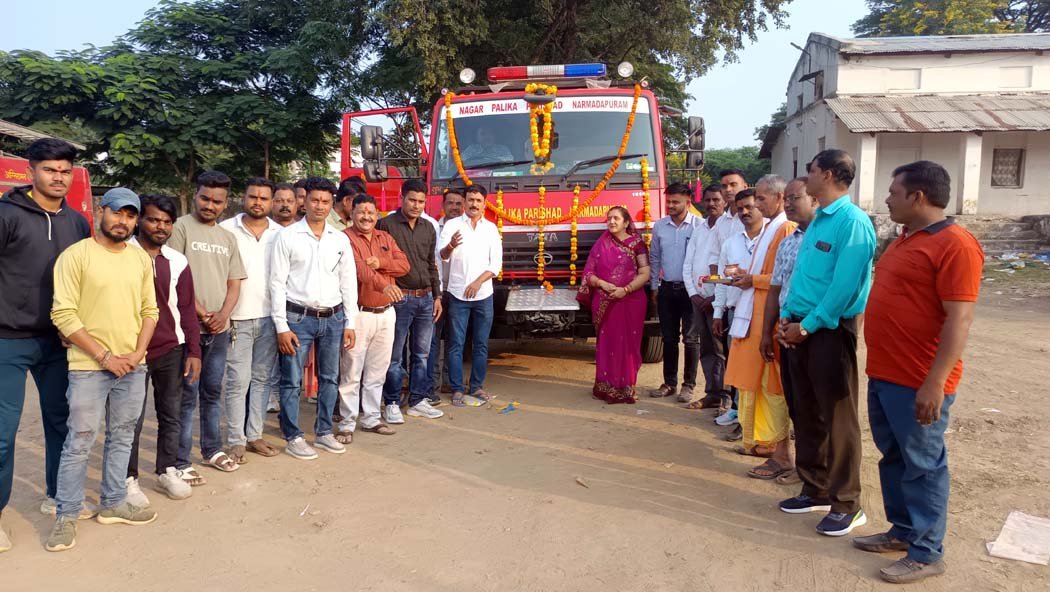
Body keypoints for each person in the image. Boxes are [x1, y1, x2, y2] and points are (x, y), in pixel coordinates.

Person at [854, 161, 983, 584]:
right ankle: (903, 531)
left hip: (918, 380)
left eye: (894, 192)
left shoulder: (956, 245)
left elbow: (959, 320)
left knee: (924, 465)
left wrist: (935, 382)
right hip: (886, 374)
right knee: (894, 457)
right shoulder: (906, 239)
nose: (887, 198)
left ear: (918, 196)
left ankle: (927, 553)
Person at [46, 188, 160, 552]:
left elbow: (150, 310)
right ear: (100, 211)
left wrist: (137, 353)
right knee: (80, 440)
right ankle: (66, 515)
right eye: (117, 212)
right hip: (88, 366)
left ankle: (113, 503)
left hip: (133, 366)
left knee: (123, 436)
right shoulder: (76, 256)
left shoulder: (139, 259)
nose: (123, 221)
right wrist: (105, 357)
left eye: (130, 215)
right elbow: (63, 314)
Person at [776, 149, 876, 538]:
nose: (808, 176)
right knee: (805, 411)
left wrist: (809, 326)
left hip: (828, 329)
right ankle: (815, 487)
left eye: (812, 170)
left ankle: (847, 503)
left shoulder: (852, 222)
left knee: (837, 418)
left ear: (829, 175)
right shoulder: (819, 220)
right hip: (800, 325)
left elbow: (845, 287)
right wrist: (789, 318)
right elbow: (804, 277)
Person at [0, 139, 92, 552]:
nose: (58, 177)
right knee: (3, 433)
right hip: (7, 339)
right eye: (50, 170)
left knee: (61, 423)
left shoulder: (78, 224)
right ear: (31, 171)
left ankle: (57, 494)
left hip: (57, 341)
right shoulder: (6, 215)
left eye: (65, 171)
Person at [270, 176, 358, 460]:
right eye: (314, 200)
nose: (320, 206)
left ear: (332, 204)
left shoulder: (339, 239)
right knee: (291, 379)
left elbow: (348, 282)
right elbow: (276, 283)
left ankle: (323, 432)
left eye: (325, 201)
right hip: (298, 318)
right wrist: (281, 326)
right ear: (304, 202)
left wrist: (351, 322)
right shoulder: (288, 236)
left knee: (330, 378)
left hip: (333, 318)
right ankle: (293, 436)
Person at [168, 171, 246, 479]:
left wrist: (223, 315)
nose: (210, 206)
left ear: (225, 203)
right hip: (187, 330)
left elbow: (234, 282)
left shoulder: (227, 238)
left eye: (217, 201)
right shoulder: (180, 228)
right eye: (205, 198)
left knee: (213, 392)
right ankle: (180, 460)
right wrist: (202, 313)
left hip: (219, 331)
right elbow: (173, 278)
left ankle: (212, 449)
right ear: (195, 196)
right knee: (187, 396)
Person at [126, 194, 201, 505]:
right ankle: (128, 480)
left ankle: (167, 470)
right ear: (140, 220)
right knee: (130, 419)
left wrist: (194, 351)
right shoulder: (122, 254)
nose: (160, 227)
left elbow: (186, 308)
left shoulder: (177, 261)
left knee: (170, 414)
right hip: (130, 349)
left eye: (167, 222)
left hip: (170, 348)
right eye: (154, 220)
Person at [720, 175, 796, 479]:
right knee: (757, 385)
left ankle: (782, 454)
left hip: (770, 320)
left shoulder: (785, 229)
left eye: (762, 199)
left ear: (779, 198)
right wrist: (747, 275)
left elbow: (783, 279)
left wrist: (753, 279)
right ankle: (766, 445)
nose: (757, 204)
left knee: (773, 387)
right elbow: (768, 273)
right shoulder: (771, 228)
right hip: (756, 317)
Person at [335, 194, 410, 443]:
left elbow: (404, 265)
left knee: (378, 371)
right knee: (351, 371)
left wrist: (380, 262)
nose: (366, 217)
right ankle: (347, 423)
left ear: (377, 215)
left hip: (386, 313)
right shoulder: (345, 238)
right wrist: (383, 284)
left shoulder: (385, 237)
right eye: (361, 211)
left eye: (370, 212)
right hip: (358, 314)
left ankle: (371, 418)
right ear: (352, 213)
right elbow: (359, 269)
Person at [760, 177, 819, 487]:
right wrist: (770, 330)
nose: (788, 203)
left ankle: (816, 473)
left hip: (816, 329)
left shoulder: (828, 238)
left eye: (795, 198)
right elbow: (777, 289)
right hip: (786, 328)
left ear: (816, 199)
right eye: (788, 198)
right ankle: (798, 463)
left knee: (816, 406)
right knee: (795, 401)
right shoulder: (790, 240)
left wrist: (806, 327)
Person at [219, 178, 283, 462]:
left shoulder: (281, 234)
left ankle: (254, 435)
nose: (258, 202)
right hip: (237, 319)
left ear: (271, 202)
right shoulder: (225, 230)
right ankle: (236, 440)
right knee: (237, 381)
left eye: (264, 198)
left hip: (269, 318)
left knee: (262, 380)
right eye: (253, 197)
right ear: (243, 198)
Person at [376, 179, 444, 421]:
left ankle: (418, 400)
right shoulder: (386, 225)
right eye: (412, 200)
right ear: (401, 199)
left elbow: (431, 264)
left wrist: (437, 295)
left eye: (421, 201)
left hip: (426, 298)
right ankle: (392, 402)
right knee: (394, 355)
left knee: (421, 354)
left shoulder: (429, 227)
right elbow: (380, 263)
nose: (416, 205)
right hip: (400, 299)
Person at [579, 207, 651, 404]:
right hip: (605, 299)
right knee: (608, 342)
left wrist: (625, 290)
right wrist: (602, 284)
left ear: (626, 222)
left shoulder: (637, 244)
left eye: (616, 218)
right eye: (609, 218)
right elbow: (588, 274)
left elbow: (645, 273)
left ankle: (626, 387)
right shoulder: (601, 244)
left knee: (628, 344)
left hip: (631, 300)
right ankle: (605, 386)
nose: (611, 222)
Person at [439, 185, 503, 407]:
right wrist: (450, 245)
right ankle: (457, 388)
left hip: (483, 295)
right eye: (470, 200)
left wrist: (477, 283)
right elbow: (442, 256)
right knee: (456, 344)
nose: (474, 204)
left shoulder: (491, 229)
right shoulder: (452, 225)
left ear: (484, 203)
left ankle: (476, 386)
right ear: (464, 202)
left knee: (481, 344)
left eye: (478, 200)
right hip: (457, 294)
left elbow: (495, 265)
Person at [648, 182, 702, 402]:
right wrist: (654, 286)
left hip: (691, 292)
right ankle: (669, 383)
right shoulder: (660, 226)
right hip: (667, 289)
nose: (670, 205)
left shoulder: (699, 226)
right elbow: (655, 258)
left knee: (691, 339)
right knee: (668, 338)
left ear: (688, 202)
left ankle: (688, 385)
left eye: (675, 202)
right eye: (668, 201)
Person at [682, 184, 733, 410]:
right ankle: (712, 393)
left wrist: (714, 299)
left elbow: (727, 266)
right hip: (698, 299)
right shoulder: (700, 228)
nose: (711, 204)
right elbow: (688, 264)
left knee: (722, 349)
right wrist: (694, 294)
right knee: (706, 348)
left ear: (724, 202)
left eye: (716, 200)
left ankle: (726, 395)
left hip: (719, 300)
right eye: (708, 200)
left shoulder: (728, 228)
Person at [427, 188, 465, 403]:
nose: (454, 207)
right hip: (437, 292)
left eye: (458, 204)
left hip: (459, 293)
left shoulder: (468, 229)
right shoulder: (434, 228)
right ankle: (431, 385)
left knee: (455, 339)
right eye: (450, 203)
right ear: (443, 206)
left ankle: (449, 381)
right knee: (432, 340)